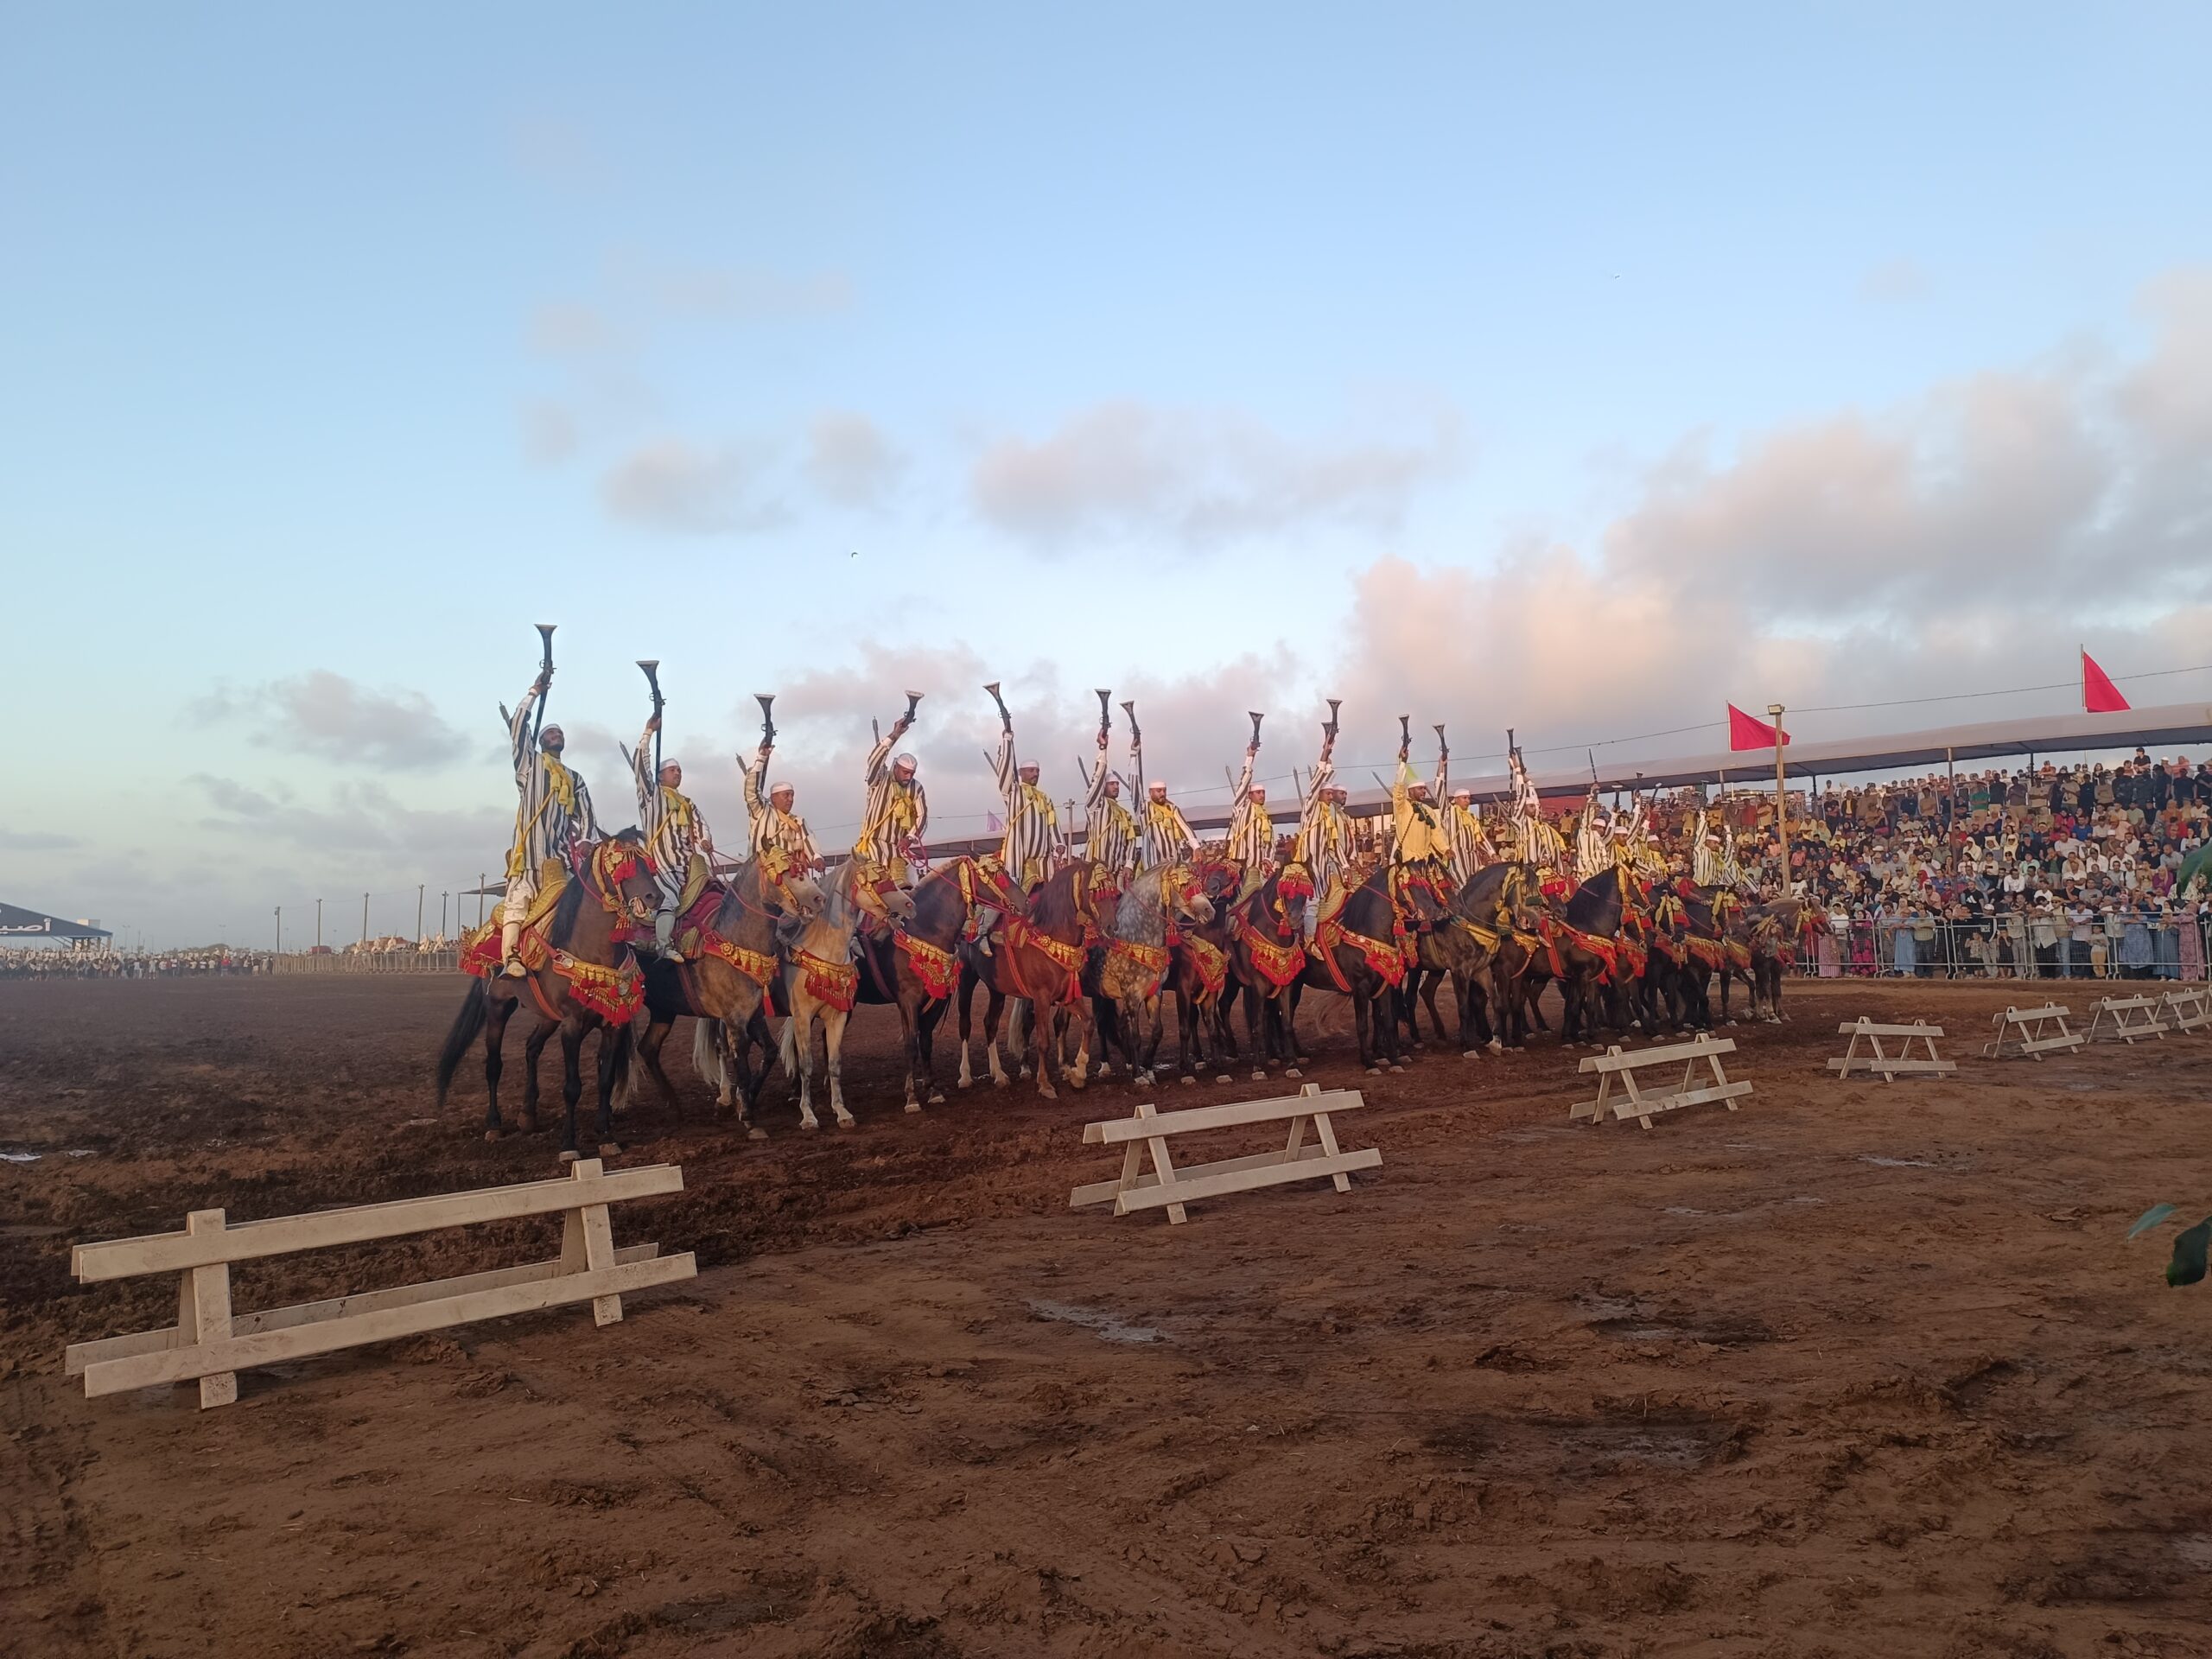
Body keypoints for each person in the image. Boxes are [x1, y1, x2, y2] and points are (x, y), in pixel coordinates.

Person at [500, 663, 598, 977]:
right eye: (551, 732)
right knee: (520, 900)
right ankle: (511, 957)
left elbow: (588, 814)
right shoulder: (529, 764)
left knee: (577, 903)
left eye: (560, 733)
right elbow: (517, 727)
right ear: (542, 741)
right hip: (529, 853)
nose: (557, 735)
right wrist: (533, 693)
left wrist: (586, 839)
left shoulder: (574, 776)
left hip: (560, 856)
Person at [632, 710, 715, 963]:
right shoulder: (651, 797)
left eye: (679, 770)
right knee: (667, 899)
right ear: (660, 776)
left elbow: (701, 825)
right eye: (672, 770)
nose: (677, 773)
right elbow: (640, 768)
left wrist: (705, 840)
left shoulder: (687, 803)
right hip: (663, 867)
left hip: (689, 866)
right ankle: (663, 946)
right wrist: (648, 733)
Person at [855, 700, 928, 884]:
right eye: (905, 772)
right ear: (895, 767)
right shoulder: (880, 778)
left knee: (911, 894)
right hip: (871, 848)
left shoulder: (916, 788)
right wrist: (894, 735)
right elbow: (874, 760)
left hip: (898, 851)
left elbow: (922, 817)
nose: (909, 777)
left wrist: (910, 838)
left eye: (912, 774)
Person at [990, 701, 1058, 891]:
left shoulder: (1045, 798)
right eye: (1030, 771)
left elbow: (1053, 824)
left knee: (1050, 892)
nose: (1035, 774)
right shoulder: (1012, 791)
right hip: (1016, 851)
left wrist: (1059, 843)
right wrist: (1007, 739)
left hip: (1042, 855)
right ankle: (986, 921)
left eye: (1037, 771)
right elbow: (1004, 769)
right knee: (1010, 889)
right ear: (1021, 773)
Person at [741, 736, 821, 866]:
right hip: (761, 870)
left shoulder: (798, 822)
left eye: (792, 795)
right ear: (773, 797)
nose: (790, 799)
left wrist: (817, 858)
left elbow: (809, 840)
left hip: (791, 874)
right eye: (786, 795)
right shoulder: (761, 811)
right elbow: (751, 790)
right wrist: (761, 758)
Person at [1131, 723, 1198, 869]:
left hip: (1174, 862)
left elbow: (1184, 827)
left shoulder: (1172, 808)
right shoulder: (1143, 808)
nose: (1162, 793)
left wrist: (1196, 846)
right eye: (1158, 791)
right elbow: (1134, 786)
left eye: (1164, 790)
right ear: (1150, 793)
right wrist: (1133, 755)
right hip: (1152, 865)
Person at [1082, 727, 1139, 894]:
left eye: (1117, 784)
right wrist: (1103, 750)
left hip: (1118, 872)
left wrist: (1129, 863)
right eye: (1112, 784)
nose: (1116, 787)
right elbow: (1097, 778)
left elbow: (1131, 841)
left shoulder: (1123, 813)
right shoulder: (1096, 804)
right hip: (1094, 871)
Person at [1224, 739, 1273, 887]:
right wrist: (1250, 758)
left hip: (1259, 867)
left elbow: (1270, 842)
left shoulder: (1265, 817)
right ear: (1250, 795)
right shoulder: (1241, 808)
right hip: (1241, 864)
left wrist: (1269, 859)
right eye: (1258, 792)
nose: (1262, 795)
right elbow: (1244, 783)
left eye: (1263, 792)